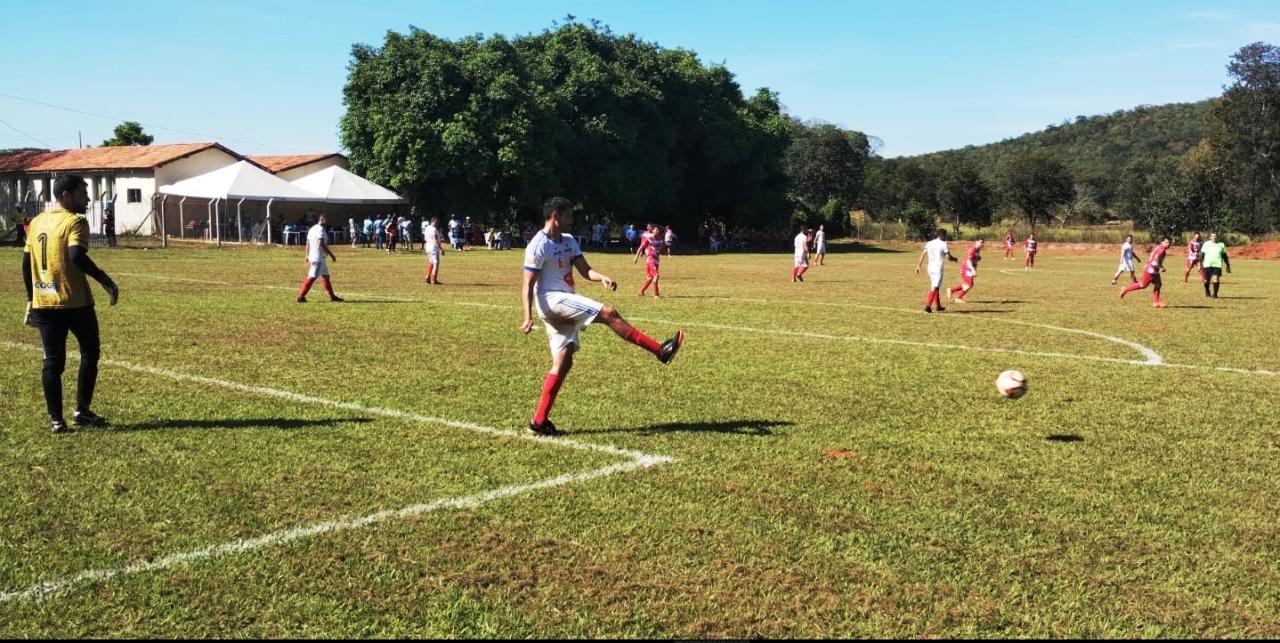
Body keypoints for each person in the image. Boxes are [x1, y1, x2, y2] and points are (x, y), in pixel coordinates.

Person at [521, 197, 685, 435]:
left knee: (563, 362)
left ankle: (539, 421)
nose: (571, 219)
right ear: (556, 215)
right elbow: (527, 284)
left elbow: (585, 270)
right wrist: (527, 316)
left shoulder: (568, 241)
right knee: (609, 313)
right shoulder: (537, 244)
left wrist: (603, 277)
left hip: (561, 302)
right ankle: (659, 351)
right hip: (552, 301)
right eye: (568, 215)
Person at [22, 175, 119, 433]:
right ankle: (82, 411)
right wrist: (104, 279)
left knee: (52, 362)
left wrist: (31, 298)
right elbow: (76, 255)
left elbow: (25, 263)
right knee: (90, 352)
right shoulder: (76, 221)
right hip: (73, 302)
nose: (87, 198)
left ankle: (57, 421)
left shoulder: (37, 221)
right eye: (82, 193)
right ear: (66, 195)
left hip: (44, 302)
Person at [297, 214, 344, 303]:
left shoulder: (312, 228)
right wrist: (331, 254)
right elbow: (321, 243)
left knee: (326, 276)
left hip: (319, 257)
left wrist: (307, 255)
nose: (327, 223)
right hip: (317, 257)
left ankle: (332, 297)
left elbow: (307, 243)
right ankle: (300, 296)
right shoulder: (320, 229)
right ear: (322, 220)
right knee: (312, 277)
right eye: (326, 221)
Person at [915, 229, 957, 313]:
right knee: (935, 287)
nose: (946, 237)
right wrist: (954, 259)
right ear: (943, 235)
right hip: (938, 269)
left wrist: (918, 266)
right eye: (945, 235)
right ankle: (928, 306)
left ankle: (938, 306)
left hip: (930, 268)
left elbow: (923, 254)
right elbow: (948, 257)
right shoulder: (943, 244)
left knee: (935, 287)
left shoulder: (930, 243)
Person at [1120, 237, 1171, 308]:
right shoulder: (1162, 249)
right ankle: (1125, 289)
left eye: (1169, 242)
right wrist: (1161, 267)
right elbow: (1156, 259)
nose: (1168, 244)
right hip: (1150, 270)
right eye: (1166, 242)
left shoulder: (1159, 247)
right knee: (1143, 285)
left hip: (1153, 269)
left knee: (1158, 284)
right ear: (1161, 242)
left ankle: (1156, 302)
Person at [947, 238, 984, 304]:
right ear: (976, 242)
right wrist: (972, 269)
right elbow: (968, 260)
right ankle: (958, 298)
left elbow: (975, 260)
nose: (982, 244)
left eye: (983, 243)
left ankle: (951, 290)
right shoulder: (973, 249)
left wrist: (975, 268)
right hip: (966, 268)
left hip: (969, 268)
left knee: (968, 284)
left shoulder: (977, 250)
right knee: (969, 284)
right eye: (981, 242)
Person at [633, 223, 665, 298]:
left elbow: (662, 250)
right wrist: (636, 258)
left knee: (650, 277)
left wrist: (663, 251)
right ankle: (656, 294)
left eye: (658, 230)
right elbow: (641, 247)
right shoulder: (649, 238)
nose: (657, 231)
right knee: (656, 275)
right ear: (652, 231)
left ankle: (641, 291)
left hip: (656, 259)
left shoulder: (661, 239)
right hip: (650, 258)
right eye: (656, 230)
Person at [1199, 232, 1231, 298]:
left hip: (1217, 264)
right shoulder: (1206, 244)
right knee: (1207, 280)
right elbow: (1201, 255)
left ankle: (1215, 294)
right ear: (1210, 237)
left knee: (1216, 279)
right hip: (1207, 264)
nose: (1214, 237)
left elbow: (1225, 256)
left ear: (1217, 237)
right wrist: (1200, 263)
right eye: (1213, 236)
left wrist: (1228, 265)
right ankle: (1207, 291)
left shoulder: (1221, 245)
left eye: (1215, 236)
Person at [423, 216, 444, 285]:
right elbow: (436, 240)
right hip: (433, 247)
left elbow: (425, 238)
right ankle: (433, 279)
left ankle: (428, 276)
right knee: (436, 263)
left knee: (431, 262)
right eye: (437, 222)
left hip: (428, 246)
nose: (438, 224)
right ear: (434, 222)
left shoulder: (427, 228)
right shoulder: (434, 229)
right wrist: (441, 249)